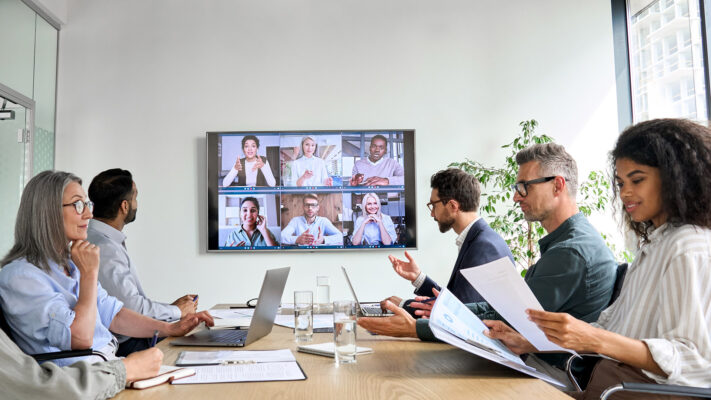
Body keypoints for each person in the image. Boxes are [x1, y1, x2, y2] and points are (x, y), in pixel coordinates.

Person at [486, 119, 711, 399]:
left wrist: (593, 338)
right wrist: (529, 342)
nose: (625, 193)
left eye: (637, 180)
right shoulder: (654, 243)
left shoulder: (687, 246)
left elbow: (694, 361)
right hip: (607, 385)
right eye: (620, 183)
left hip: (630, 392)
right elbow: (607, 328)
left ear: (676, 178)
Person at [359, 143, 617, 382]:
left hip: (551, 373)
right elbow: (499, 309)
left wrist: (417, 328)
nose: (516, 197)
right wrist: (433, 313)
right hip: (539, 362)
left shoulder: (570, 251)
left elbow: (508, 320)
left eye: (524, 187)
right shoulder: (566, 243)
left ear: (558, 186)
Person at [0, 171, 214, 366]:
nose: (88, 215)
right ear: (48, 213)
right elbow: (81, 338)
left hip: (108, 368)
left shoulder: (69, 263)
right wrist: (90, 274)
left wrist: (170, 328)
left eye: (87, 205)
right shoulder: (20, 277)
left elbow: (115, 315)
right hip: (81, 381)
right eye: (77, 205)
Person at [86, 168, 201, 356]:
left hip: (131, 336)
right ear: (124, 206)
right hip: (127, 345)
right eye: (135, 198)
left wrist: (171, 311)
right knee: (195, 343)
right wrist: (176, 311)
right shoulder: (105, 249)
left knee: (197, 332)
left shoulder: (102, 239)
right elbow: (131, 308)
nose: (136, 204)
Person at [377, 169, 514, 316]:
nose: (432, 213)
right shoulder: (480, 238)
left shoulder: (483, 246)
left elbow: (460, 313)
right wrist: (418, 277)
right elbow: (457, 300)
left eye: (433, 205)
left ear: (453, 206)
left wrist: (403, 305)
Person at [0, 328, 162, 399]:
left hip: (99, 370)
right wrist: (127, 368)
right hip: (85, 377)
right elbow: (43, 389)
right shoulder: (22, 276)